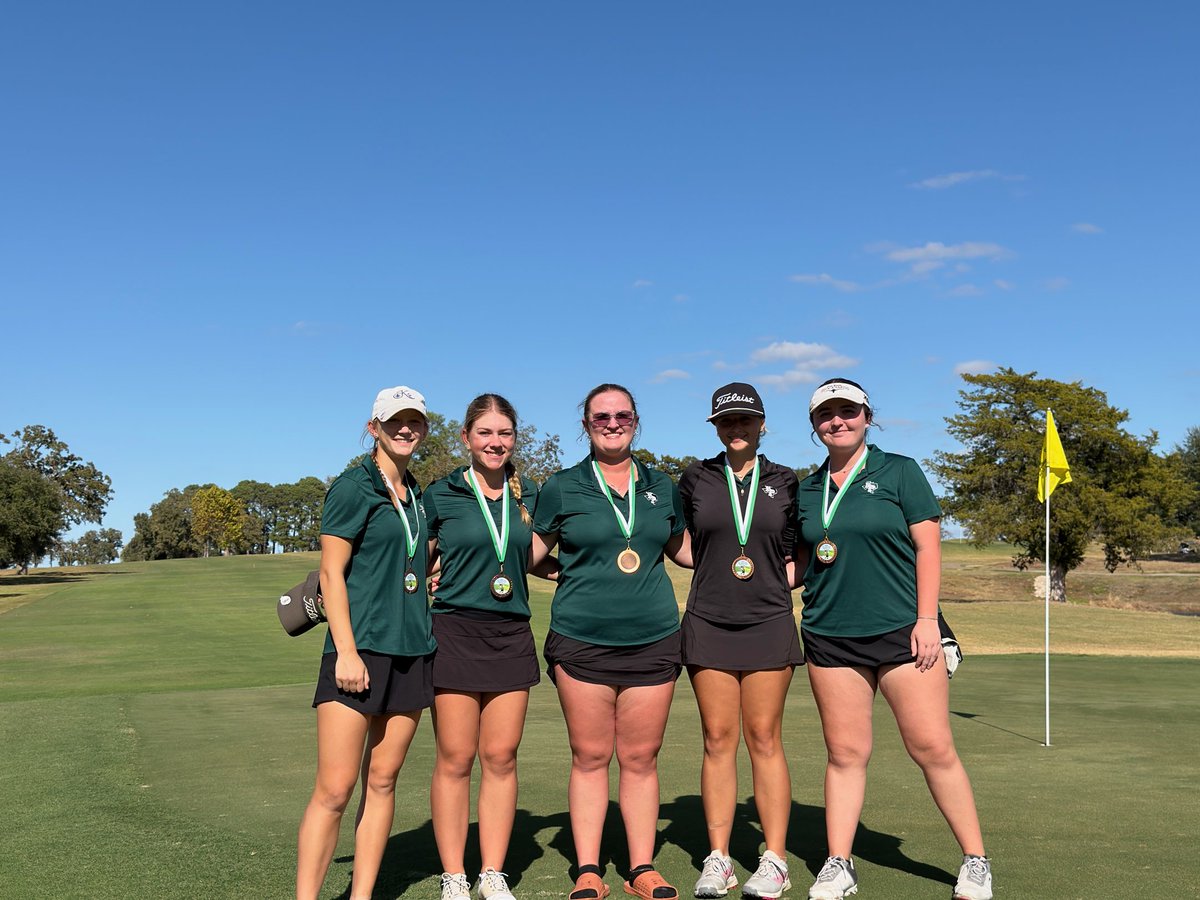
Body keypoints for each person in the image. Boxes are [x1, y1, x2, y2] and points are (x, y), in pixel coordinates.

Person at [795, 379, 992, 900]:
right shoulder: (807, 488)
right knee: (844, 753)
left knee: (931, 747)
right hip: (829, 635)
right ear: (814, 425)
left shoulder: (899, 470)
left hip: (904, 632)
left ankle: (975, 860)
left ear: (867, 415)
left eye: (848, 411)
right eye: (826, 414)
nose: (838, 421)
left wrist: (928, 620)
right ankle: (839, 863)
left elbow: (928, 547)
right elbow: (802, 560)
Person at [530, 383, 692, 900]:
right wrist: (569, 574)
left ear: (636, 421)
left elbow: (684, 550)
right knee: (590, 755)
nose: (612, 422)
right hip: (581, 640)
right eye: (601, 416)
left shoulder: (661, 485)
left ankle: (641, 867)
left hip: (654, 638)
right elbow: (531, 554)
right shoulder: (562, 485)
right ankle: (587, 869)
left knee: (642, 758)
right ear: (586, 424)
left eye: (622, 415)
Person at [296, 386, 437, 900]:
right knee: (335, 790)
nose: (406, 429)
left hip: (412, 651)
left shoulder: (418, 495)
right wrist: (347, 651)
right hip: (357, 653)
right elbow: (331, 574)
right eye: (394, 421)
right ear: (373, 426)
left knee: (382, 782)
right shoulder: (353, 488)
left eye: (414, 421)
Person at [677, 383, 801, 900]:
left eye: (745, 420)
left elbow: (799, 551)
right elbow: (682, 545)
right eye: (726, 422)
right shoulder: (695, 478)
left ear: (762, 423)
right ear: (715, 427)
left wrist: (769, 581)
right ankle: (720, 858)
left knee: (765, 738)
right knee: (717, 739)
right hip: (708, 620)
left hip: (769, 621)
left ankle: (774, 860)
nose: (736, 429)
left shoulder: (787, 480)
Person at [424, 394, 548, 900]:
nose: (496, 442)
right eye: (485, 433)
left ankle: (492, 872)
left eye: (505, 434)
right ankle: (455, 874)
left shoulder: (533, 494)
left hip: (511, 634)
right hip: (453, 632)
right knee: (455, 758)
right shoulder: (441, 492)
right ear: (466, 438)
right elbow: (414, 554)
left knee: (500, 757)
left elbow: (539, 555)